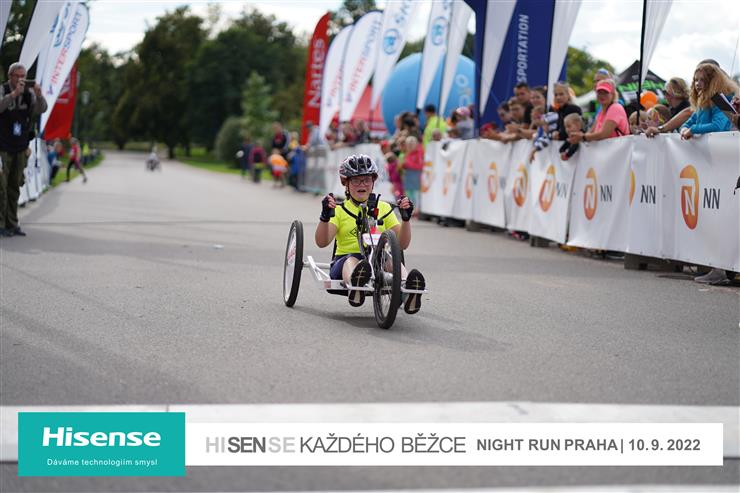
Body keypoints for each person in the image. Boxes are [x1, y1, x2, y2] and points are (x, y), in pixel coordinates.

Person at [315, 154, 425, 313]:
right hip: (345, 261)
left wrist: (406, 220)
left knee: (390, 260)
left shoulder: (384, 208)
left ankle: (409, 290)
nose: (362, 184)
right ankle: (356, 285)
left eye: (366, 180)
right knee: (351, 260)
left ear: (373, 182)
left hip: (377, 260)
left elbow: (402, 244)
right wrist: (325, 217)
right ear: (346, 183)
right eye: (356, 180)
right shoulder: (339, 210)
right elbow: (322, 242)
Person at [0, 62, 48, 237]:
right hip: (2, 146)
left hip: (20, 146)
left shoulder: (29, 93)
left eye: (23, 76)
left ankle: (12, 223)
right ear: (10, 76)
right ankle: (1, 224)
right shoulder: (3, 89)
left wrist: (39, 95)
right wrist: (14, 94)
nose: (21, 79)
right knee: (2, 187)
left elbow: (42, 109)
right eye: (17, 76)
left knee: (15, 186)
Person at [679, 63, 737, 140]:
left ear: (712, 81)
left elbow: (717, 126)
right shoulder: (703, 102)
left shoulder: (721, 100)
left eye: (702, 80)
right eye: (696, 80)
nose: (697, 83)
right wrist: (684, 130)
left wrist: (692, 130)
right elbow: (688, 123)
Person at [568, 79, 628, 145]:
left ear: (613, 94)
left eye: (605, 92)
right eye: (599, 92)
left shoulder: (615, 107)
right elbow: (591, 132)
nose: (602, 95)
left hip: (619, 149)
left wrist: (582, 137)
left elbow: (604, 134)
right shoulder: (602, 111)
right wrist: (578, 136)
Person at [402, 135, 424, 209]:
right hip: (408, 175)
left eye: (411, 144)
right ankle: (411, 209)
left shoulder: (419, 152)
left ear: (416, 144)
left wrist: (408, 164)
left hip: (415, 175)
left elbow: (420, 166)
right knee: (409, 193)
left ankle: (416, 209)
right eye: (408, 144)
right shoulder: (407, 153)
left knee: (416, 193)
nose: (410, 146)